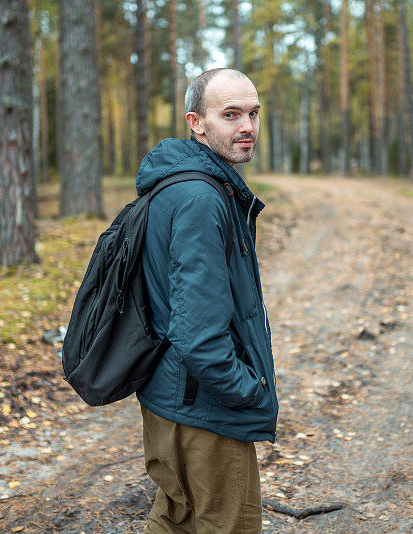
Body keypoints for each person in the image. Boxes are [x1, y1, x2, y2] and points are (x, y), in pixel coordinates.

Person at [135, 68, 278, 533]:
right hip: (206, 410)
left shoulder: (183, 182)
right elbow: (199, 333)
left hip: (171, 398)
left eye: (253, 114)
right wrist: (247, 392)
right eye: (231, 114)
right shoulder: (200, 197)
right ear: (196, 122)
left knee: (176, 518)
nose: (247, 127)